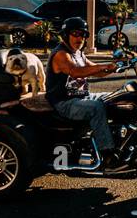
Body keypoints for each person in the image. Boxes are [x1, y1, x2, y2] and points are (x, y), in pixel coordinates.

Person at [47, 17, 119, 163]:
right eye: (75, 33)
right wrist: (104, 66)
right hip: (64, 102)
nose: (79, 38)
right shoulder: (61, 54)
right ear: (66, 35)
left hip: (81, 97)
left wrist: (115, 66)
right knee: (96, 108)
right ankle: (107, 153)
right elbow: (75, 71)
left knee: (115, 97)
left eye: (83, 34)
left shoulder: (78, 53)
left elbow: (97, 72)